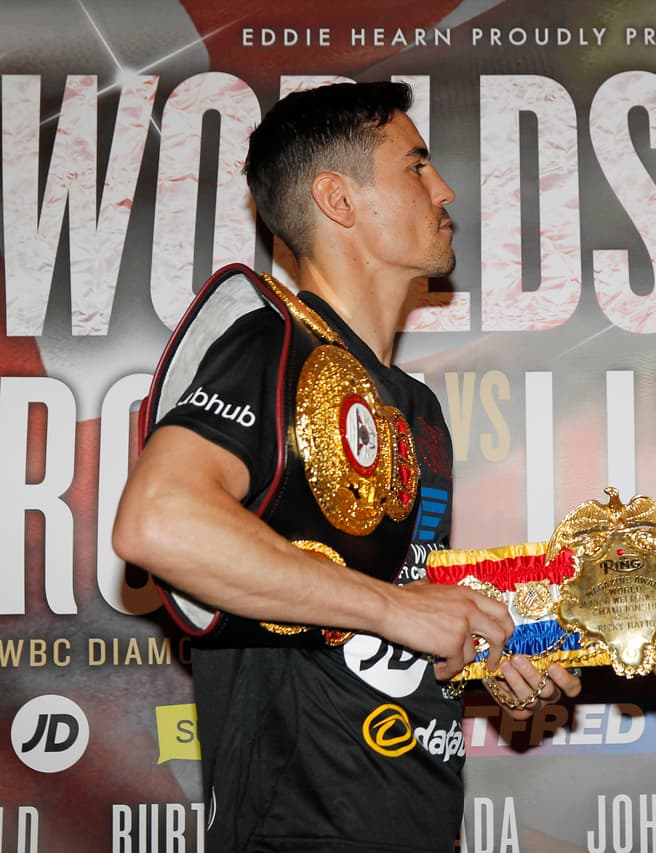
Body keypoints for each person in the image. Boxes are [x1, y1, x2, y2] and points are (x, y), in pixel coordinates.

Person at [113, 81, 580, 852]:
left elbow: (378, 621)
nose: (445, 188)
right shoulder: (273, 344)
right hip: (297, 831)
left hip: (415, 821)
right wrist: (398, 610)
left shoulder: (416, 408)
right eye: (416, 166)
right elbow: (157, 519)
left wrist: (484, 653)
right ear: (337, 199)